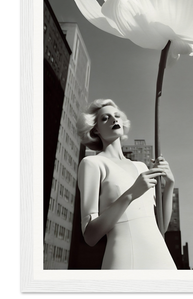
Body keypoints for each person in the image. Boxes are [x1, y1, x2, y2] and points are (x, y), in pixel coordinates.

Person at [76, 98, 177, 269]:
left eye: (116, 116)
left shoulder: (141, 167)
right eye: (105, 118)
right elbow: (90, 236)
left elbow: (161, 228)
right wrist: (131, 194)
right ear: (96, 130)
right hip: (125, 260)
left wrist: (170, 185)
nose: (114, 119)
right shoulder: (92, 164)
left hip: (162, 259)